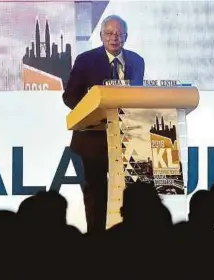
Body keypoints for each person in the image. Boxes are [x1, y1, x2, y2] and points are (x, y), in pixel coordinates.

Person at [62, 15, 145, 234]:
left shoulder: (137, 61)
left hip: (129, 141)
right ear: (101, 36)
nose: (114, 38)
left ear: (126, 36)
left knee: (131, 199)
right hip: (92, 142)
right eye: (109, 33)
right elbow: (69, 97)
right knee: (96, 199)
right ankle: (97, 247)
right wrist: (92, 110)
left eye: (118, 34)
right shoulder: (85, 60)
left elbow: (140, 98)